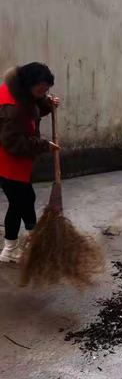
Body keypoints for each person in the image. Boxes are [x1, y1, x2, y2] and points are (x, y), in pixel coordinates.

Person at [0, 63, 60, 263]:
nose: (44, 93)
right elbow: (14, 142)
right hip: (7, 161)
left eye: (46, 90)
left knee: (26, 197)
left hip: (16, 160)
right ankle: (9, 250)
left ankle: (32, 236)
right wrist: (44, 145)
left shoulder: (21, 93)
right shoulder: (11, 106)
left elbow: (33, 107)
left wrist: (48, 104)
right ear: (28, 84)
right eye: (41, 90)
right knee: (17, 203)